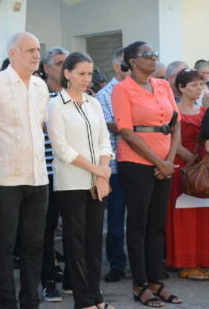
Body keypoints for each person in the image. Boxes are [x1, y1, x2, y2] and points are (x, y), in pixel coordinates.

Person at [0, 32, 49, 309]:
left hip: (38, 177)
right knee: (4, 247)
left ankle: (30, 302)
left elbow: (39, 128)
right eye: (29, 49)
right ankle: (7, 303)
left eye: (38, 49)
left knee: (34, 245)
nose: (36, 54)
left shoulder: (41, 86)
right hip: (4, 178)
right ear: (12, 53)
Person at [112, 41, 182, 307]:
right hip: (135, 162)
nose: (154, 59)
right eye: (147, 56)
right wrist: (158, 162)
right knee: (138, 224)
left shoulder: (163, 85)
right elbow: (127, 132)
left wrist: (170, 160)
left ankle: (156, 282)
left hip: (164, 161)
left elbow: (174, 124)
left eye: (155, 55)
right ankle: (139, 285)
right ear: (133, 61)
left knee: (156, 224)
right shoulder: (122, 89)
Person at [47, 52, 114, 309]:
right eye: (82, 73)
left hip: (97, 181)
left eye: (90, 73)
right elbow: (62, 149)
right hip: (71, 183)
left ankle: (96, 297)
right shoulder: (55, 104)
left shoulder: (93, 103)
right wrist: (98, 170)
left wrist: (102, 172)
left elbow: (104, 141)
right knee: (76, 243)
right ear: (67, 74)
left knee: (95, 242)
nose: (87, 79)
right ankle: (83, 301)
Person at [165, 69, 209, 280]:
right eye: (194, 85)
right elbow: (175, 142)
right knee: (184, 216)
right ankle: (186, 263)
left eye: (201, 84)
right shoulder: (174, 111)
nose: (199, 88)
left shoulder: (204, 111)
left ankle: (202, 260)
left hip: (203, 166)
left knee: (202, 214)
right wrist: (194, 159)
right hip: (183, 166)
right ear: (181, 88)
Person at [95, 47, 130, 283]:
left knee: (142, 217)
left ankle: (145, 263)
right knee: (116, 219)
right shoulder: (104, 95)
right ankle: (117, 264)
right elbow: (114, 126)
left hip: (141, 163)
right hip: (116, 165)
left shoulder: (141, 91)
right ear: (117, 66)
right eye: (127, 66)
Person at [39, 47, 68, 302]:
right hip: (46, 173)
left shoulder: (78, 95)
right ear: (47, 68)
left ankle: (72, 277)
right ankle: (47, 281)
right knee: (46, 231)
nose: (64, 67)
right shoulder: (38, 95)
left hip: (73, 174)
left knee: (74, 229)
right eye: (59, 63)